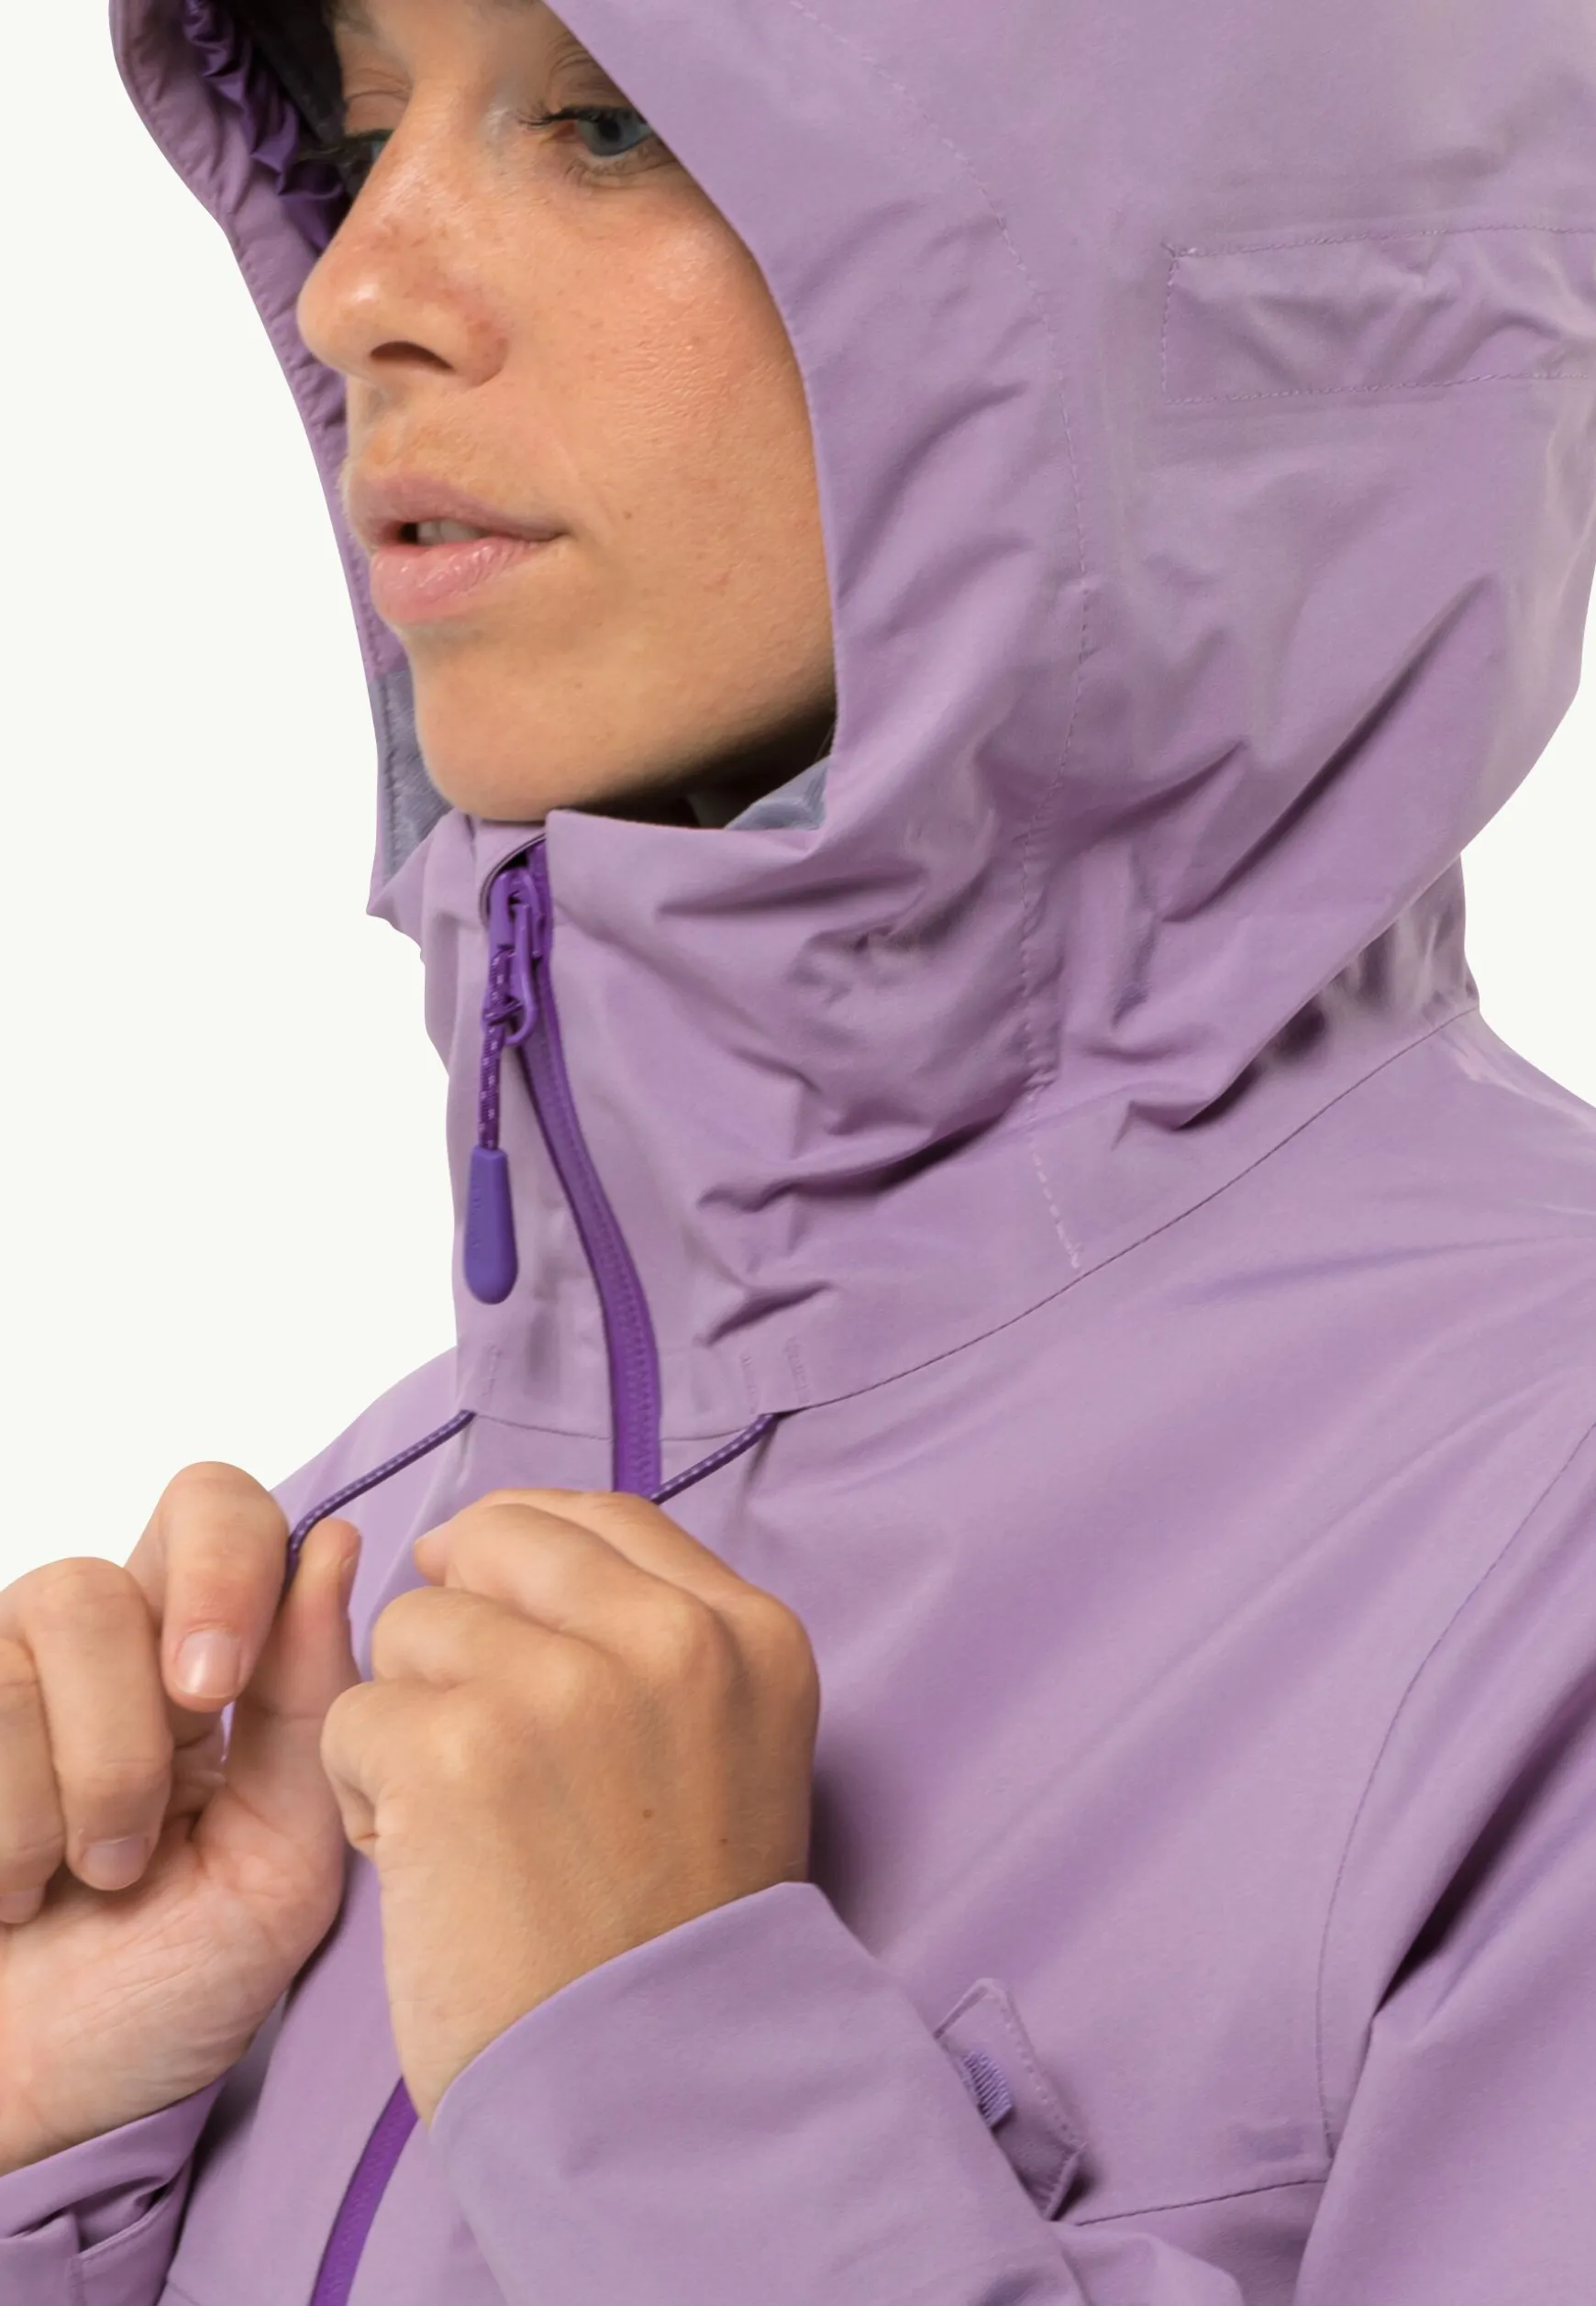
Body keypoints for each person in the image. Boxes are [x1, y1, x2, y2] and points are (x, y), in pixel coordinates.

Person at [4, 0, 1596, 2297]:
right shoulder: (352, 1583)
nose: (356, 288)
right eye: (360, 134)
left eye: (606, 124)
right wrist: (58, 2165)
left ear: (1173, 297)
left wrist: (684, 2105)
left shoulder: (1535, 1566)